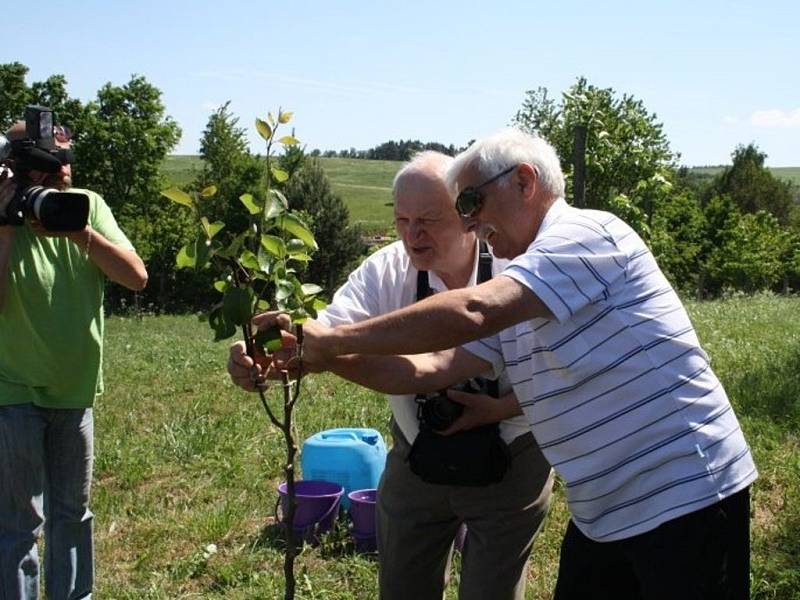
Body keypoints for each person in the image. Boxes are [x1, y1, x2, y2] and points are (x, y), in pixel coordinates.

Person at [244, 129, 758, 599]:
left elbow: (472, 310)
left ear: (525, 182)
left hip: (683, 494)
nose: (468, 221)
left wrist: (332, 341)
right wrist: (314, 356)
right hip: (603, 510)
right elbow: (430, 368)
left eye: (470, 202)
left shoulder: (586, 234)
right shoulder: (525, 280)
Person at [230, 151, 553, 600]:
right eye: (402, 220)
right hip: (417, 452)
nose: (412, 236)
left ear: (467, 215)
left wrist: (501, 408)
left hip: (512, 453)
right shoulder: (385, 271)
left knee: (492, 591)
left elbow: (561, 371)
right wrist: (272, 352)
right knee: (403, 587)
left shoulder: (510, 267)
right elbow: (332, 328)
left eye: (427, 219)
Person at [0, 120, 148, 599]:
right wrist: (4, 224)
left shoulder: (87, 206)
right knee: (20, 523)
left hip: (75, 388)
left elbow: (136, 278)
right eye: (52, 159)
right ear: (23, 166)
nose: (65, 168)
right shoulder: (2, 213)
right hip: (12, 388)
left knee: (72, 514)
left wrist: (82, 234)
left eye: (67, 157)